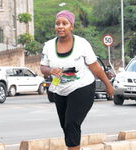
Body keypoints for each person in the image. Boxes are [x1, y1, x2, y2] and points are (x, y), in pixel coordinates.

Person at [40, 10, 114, 150]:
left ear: (71, 26)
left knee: (71, 123)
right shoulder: (49, 46)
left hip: (82, 87)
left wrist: (108, 85)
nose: (60, 26)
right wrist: (50, 70)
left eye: (64, 23)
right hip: (60, 90)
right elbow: (43, 67)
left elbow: (95, 67)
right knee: (65, 126)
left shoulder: (82, 44)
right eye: (57, 24)